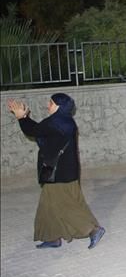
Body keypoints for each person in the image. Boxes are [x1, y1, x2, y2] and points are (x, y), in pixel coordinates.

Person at [7, 94, 105, 249]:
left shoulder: (54, 122)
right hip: (64, 170)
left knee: (64, 206)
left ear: (59, 106)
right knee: (48, 206)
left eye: (51, 103)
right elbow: (41, 130)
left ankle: (92, 230)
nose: (48, 105)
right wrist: (24, 117)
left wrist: (21, 118)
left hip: (59, 173)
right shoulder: (65, 120)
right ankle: (52, 237)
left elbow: (34, 130)